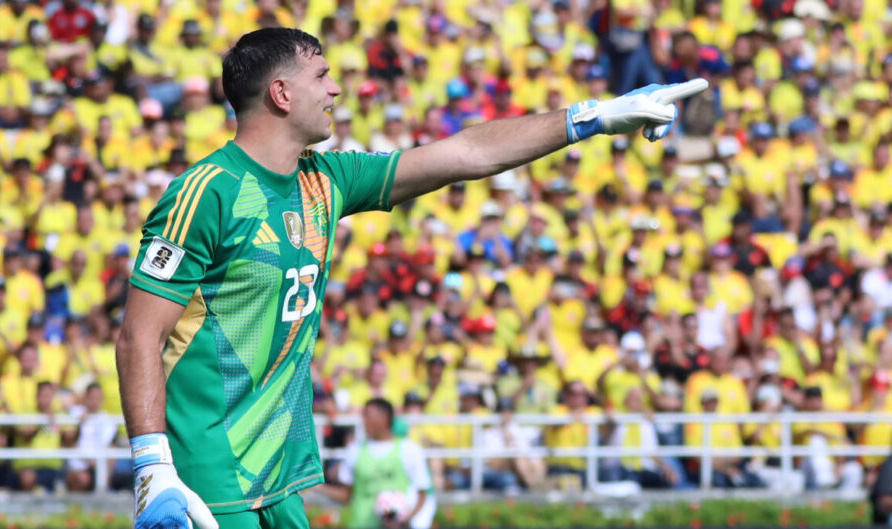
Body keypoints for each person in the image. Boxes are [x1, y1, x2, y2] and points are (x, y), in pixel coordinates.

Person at [116, 27, 706, 529]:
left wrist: (591, 118)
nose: (336, 89)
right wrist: (152, 467)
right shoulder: (207, 192)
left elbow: (468, 155)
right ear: (279, 92)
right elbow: (139, 336)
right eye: (321, 75)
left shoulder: (326, 179)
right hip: (210, 473)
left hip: (281, 472)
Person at [319, 398, 435, 529]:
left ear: (385, 418)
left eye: (368, 415)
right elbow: (346, 495)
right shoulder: (354, 450)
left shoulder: (409, 449)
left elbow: (423, 494)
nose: (364, 420)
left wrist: (404, 521)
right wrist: (317, 487)